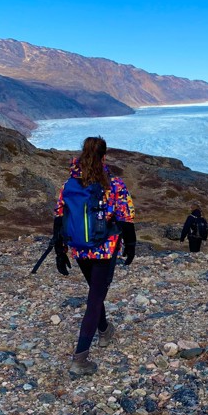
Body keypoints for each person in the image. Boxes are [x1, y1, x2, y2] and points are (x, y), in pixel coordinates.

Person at [53, 136, 136, 376]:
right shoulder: (114, 184)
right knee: (95, 298)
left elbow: (59, 217)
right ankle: (80, 359)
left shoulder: (69, 184)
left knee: (95, 293)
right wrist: (131, 244)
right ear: (104, 157)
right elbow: (125, 217)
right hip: (105, 249)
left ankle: (105, 330)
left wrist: (60, 251)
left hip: (79, 248)